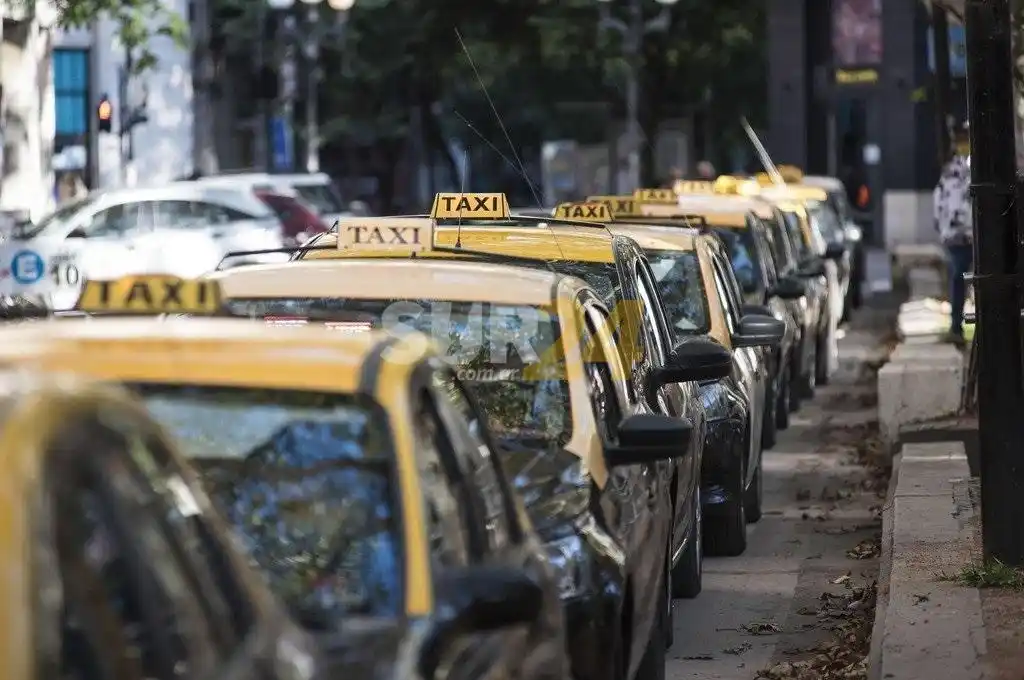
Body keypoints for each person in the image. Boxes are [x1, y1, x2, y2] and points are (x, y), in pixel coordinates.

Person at [933, 124, 973, 344]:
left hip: (977, 236)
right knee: (958, 278)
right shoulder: (950, 170)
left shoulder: (979, 165)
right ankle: (956, 326)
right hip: (956, 237)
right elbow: (940, 200)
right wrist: (943, 229)